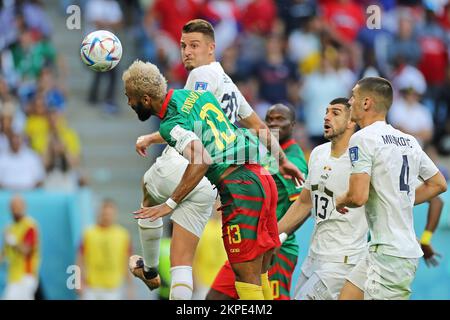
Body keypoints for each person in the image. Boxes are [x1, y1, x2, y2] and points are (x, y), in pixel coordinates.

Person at [129, 19, 302, 300]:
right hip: (226, 178)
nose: (187, 52)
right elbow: (258, 126)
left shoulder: (201, 76)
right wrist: (281, 160)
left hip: (194, 166)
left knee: (149, 191)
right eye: (183, 45)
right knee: (192, 260)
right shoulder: (227, 81)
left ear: (212, 48)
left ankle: (149, 270)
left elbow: (192, 126)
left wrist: (153, 139)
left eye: (194, 46)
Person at [335, 77, 447, 300]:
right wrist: (399, 198)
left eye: (353, 97)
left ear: (366, 102)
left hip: (389, 254)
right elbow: (438, 184)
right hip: (383, 249)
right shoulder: (408, 141)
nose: (349, 101)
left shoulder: (362, 138)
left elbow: (358, 197)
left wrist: (341, 200)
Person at [206, 103, 308, 300]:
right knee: (215, 297)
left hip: (276, 247)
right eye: (269, 119)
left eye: (280, 119)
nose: (273, 123)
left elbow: (302, 205)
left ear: (293, 124)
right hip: (250, 241)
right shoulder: (265, 154)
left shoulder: (294, 161)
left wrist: (280, 237)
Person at [276, 98, 369, 300]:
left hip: (343, 261)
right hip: (313, 258)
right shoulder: (318, 153)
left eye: (335, 113)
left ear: (352, 121)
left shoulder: (362, 160)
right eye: (326, 112)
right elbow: (304, 202)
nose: (326, 117)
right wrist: (273, 235)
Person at [76, 199, 133, 300]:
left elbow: (127, 262)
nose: (106, 216)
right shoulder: (88, 233)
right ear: (99, 213)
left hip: (113, 289)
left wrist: (130, 287)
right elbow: (79, 260)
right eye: (104, 213)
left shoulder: (123, 234)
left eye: (109, 214)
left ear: (115, 214)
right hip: (91, 287)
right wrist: (77, 282)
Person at [0, 195, 40, 300]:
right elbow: (3, 254)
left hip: (26, 275)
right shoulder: (9, 228)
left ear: (24, 207)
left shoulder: (30, 226)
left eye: (17, 207)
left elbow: (26, 250)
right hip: (13, 276)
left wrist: (13, 242)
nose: (15, 210)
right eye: (13, 207)